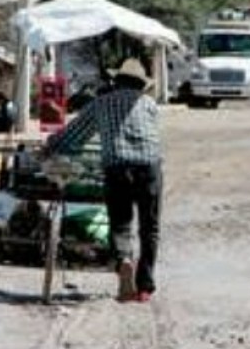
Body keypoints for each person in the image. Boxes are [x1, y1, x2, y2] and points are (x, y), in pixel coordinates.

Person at [40, 58, 162, 303]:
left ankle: (125, 260)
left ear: (116, 82)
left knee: (121, 224)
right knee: (150, 228)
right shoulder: (149, 104)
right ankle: (145, 286)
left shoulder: (101, 103)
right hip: (149, 166)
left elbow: (73, 136)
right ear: (141, 85)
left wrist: (50, 147)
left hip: (116, 166)